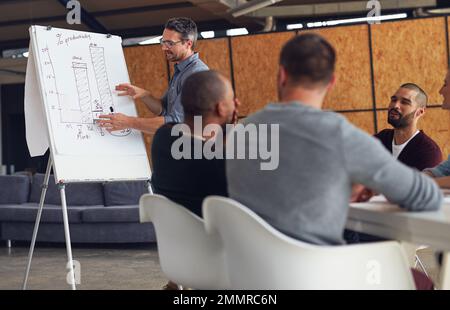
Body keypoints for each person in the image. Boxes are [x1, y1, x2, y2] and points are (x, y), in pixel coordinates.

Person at [226, 32, 441, 263]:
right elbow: (427, 197)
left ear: (281, 75)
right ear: (331, 82)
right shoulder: (342, 136)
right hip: (322, 275)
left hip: (248, 274)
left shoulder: (240, 133)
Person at [97, 17, 208, 134]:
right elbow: (164, 110)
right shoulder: (181, 70)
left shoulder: (196, 74)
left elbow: (176, 123)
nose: (164, 48)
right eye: (163, 42)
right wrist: (144, 95)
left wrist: (128, 122)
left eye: (170, 43)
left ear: (188, 44)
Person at [152, 70, 239, 217]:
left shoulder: (162, 139)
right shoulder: (224, 164)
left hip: (175, 236)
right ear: (221, 108)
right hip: (217, 237)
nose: (237, 103)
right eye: (232, 100)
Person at [375, 83, 442, 171]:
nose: (395, 106)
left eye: (404, 102)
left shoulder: (429, 152)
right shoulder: (381, 138)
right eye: (393, 100)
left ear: (420, 112)